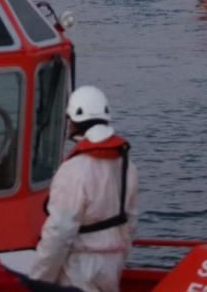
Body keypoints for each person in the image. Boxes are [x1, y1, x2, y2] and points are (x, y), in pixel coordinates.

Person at [32, 86, 138, 292]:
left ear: (73, 121)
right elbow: (130, 222)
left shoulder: (73, 170)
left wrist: (38, 280)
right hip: (112, 264)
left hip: (79, 266)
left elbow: (59, 233)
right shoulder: (127, 165)